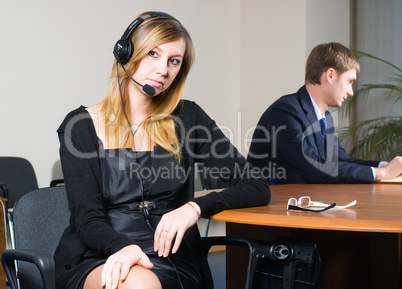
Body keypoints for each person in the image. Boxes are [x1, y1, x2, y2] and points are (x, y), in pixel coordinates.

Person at [55, 11, 270, 289]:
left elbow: (257, 185)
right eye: (154, 54)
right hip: (102, 254)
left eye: (174, 61)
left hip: (174, 260)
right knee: (138, 284)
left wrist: (195, 207)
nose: (163, 70)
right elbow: (87, 217)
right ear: (127, 53)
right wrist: (123, 247)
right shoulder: (79, 126)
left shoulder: (188, 117)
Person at [247, 42, 402, 185]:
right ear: (330, 75)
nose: (351, 92)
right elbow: (315, 169)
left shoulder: (324, 118)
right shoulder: (285, 112)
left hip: (301, 204)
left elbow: (342, 161)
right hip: (269, 208)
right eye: (349, 82)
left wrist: (385, 166)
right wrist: (382, 173)